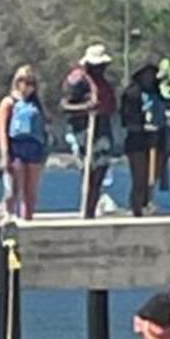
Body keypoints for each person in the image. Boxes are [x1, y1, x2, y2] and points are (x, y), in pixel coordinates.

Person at [61, 44, 117, 219]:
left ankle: (91, 210)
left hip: (102, 131)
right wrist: (86, 108)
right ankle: (86, 210)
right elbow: (64, 105)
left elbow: (112, 105)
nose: (100, 69)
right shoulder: (77, 80)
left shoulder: (104, 83)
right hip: (83, 132)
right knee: (88, 172)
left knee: (101, 171)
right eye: (96, 65)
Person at [0, 64, 48, 221]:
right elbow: (2, 130)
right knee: (13, 189)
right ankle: (8, 217)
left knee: (31, 191)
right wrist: (5, 154)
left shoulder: (36, 104)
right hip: (16, 148)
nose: (26, 86)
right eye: (22, 81)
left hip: (34, 148)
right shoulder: (9, 102)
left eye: (30, 82)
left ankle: (28, 218)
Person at [120, 60, 170, 216]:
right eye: (146, 74)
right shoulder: (131, 94)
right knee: (139, 179)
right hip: (138, 140)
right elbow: (125, 120)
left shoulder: (157, 94)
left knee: (152, 179)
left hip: (158, 139)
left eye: (151, 74)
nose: (149, 77)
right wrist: (143, 128)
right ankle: (136, 209)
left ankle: (147, 204)